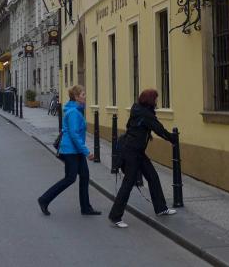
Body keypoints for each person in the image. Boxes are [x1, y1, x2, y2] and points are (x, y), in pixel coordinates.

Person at [108, 88, 178, 228]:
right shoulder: (146, 114)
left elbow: (130, 126)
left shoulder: (137, 110)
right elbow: (159, 129)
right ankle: (115, 216)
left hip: (137, 151)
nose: (157, 101)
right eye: (156, 99)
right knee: (128, 183)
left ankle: (161, 208)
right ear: (151, 100)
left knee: (153, 177)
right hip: (132, 152)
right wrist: (173, 139)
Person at [37, 85, 101, 217]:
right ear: (76, 97)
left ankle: (86, 207)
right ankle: (44, 199)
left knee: (84, 176)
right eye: (83, 94)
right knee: (70, 178)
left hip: (76, 150)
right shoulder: (73, 113)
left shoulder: (76, 110)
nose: (85, 97)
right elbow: (74, 135)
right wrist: (87, 152)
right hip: (70, 151)